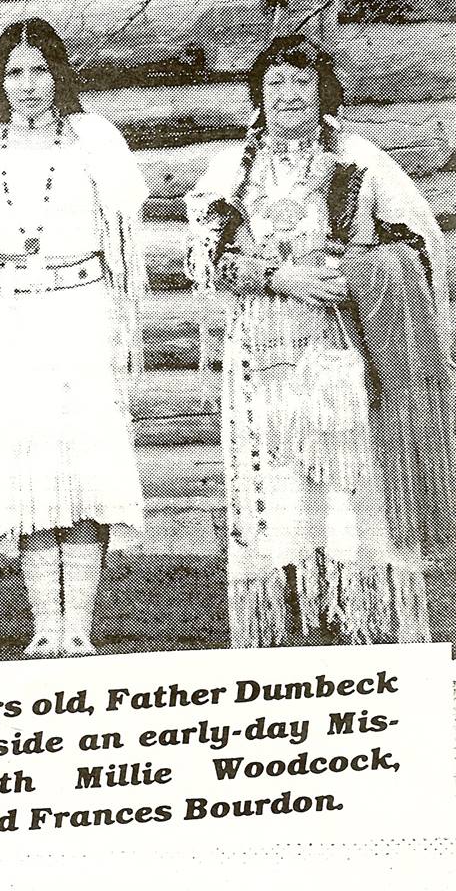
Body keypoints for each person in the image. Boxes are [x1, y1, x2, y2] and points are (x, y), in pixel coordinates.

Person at [185, 34, 455, 648]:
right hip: (258, 352)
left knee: (343, 478)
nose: (288, 97)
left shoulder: (355, 161)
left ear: (322, 96)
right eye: (275, 84)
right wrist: (275, 274)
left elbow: (418, 239)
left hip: (332, 345)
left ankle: (356, 617)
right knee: (274, 486)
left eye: (301, 85)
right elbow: (201, 255)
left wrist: (360, 271)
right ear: (259, 97)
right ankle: (291, 624)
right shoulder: (236, 167)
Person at [0, 18, 147, 657]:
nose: (28, 84)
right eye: (15, 72)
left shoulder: (93, 138)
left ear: (59, 76)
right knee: (30, 464)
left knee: (82, 461)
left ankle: (79, 629)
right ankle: (43, 627)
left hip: (82, 309)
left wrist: (121, 313)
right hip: (12, 313)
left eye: (40, 70)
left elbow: (125, 221)